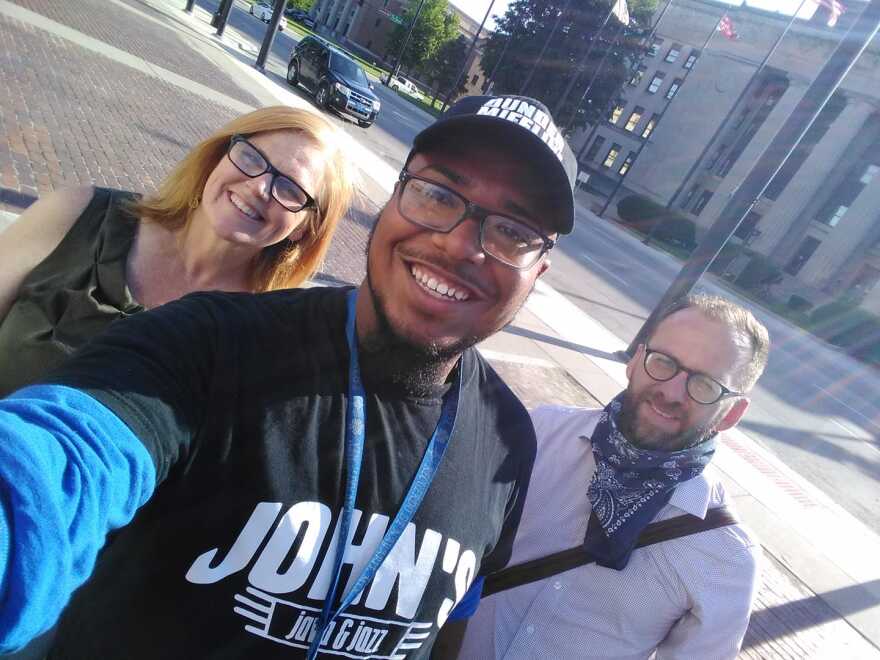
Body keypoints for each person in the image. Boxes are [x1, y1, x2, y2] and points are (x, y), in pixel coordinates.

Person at [0, 95, 577, 659]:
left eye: (514, 232)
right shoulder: (208, 341)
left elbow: (451, 621)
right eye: (436, 194)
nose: (458, 244)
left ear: (539, 270)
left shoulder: (508, 441)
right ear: (392, 199)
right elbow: (60, 465)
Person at [457, 295, 770, 659]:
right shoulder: (538, 434)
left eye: (705, 385)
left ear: (732, 413)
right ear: (636, 360)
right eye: (664, 362)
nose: (671, 392)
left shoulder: (726, 556)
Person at [0, 105, 354, 396]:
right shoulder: (76, 215)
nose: (259, 186)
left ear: (307, 228)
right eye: (251, 157)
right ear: (220, 155)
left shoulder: (263, 340)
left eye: (290, 189)